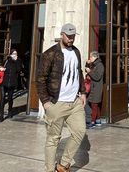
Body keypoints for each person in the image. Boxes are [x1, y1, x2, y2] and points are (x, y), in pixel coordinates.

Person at [36, 23, 87, 172]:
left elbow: (79, 73)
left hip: (75, 102)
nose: (71, 39)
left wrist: (83, 92)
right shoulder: (50, 54)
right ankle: (50, 169)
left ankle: (63, 165)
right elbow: (40, 79)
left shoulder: (76, 52)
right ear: (62, 34)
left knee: (79, 131)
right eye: (68, 36)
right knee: (53, 139)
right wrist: (46, 103)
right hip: (56, 103)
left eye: (73, 36)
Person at [0, 48, 23, 123]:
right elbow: (1, 67)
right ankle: (1, 116)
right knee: (2, 98)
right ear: (10, 54)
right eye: (13, 54)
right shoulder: (6, 60)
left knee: (10, 98)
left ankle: (10, 111)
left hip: (12, 82)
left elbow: (18, 70)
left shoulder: (18, 61)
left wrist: (15, 61)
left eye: (16, 54)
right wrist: (1, 68)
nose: (15, 55)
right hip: (3, 82)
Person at [85, 51, 104, 128]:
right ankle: (98, 120)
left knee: (94, 105)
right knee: (95, 104)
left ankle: (92, 122)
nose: (90, 58)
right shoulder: (95, 64)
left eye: (91, 57)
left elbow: (97, 77)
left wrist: (89, 72)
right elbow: (88, 69)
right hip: (93, 87)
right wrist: (88, 64)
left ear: (95, 57)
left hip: (96, 88)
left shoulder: (100, 65)